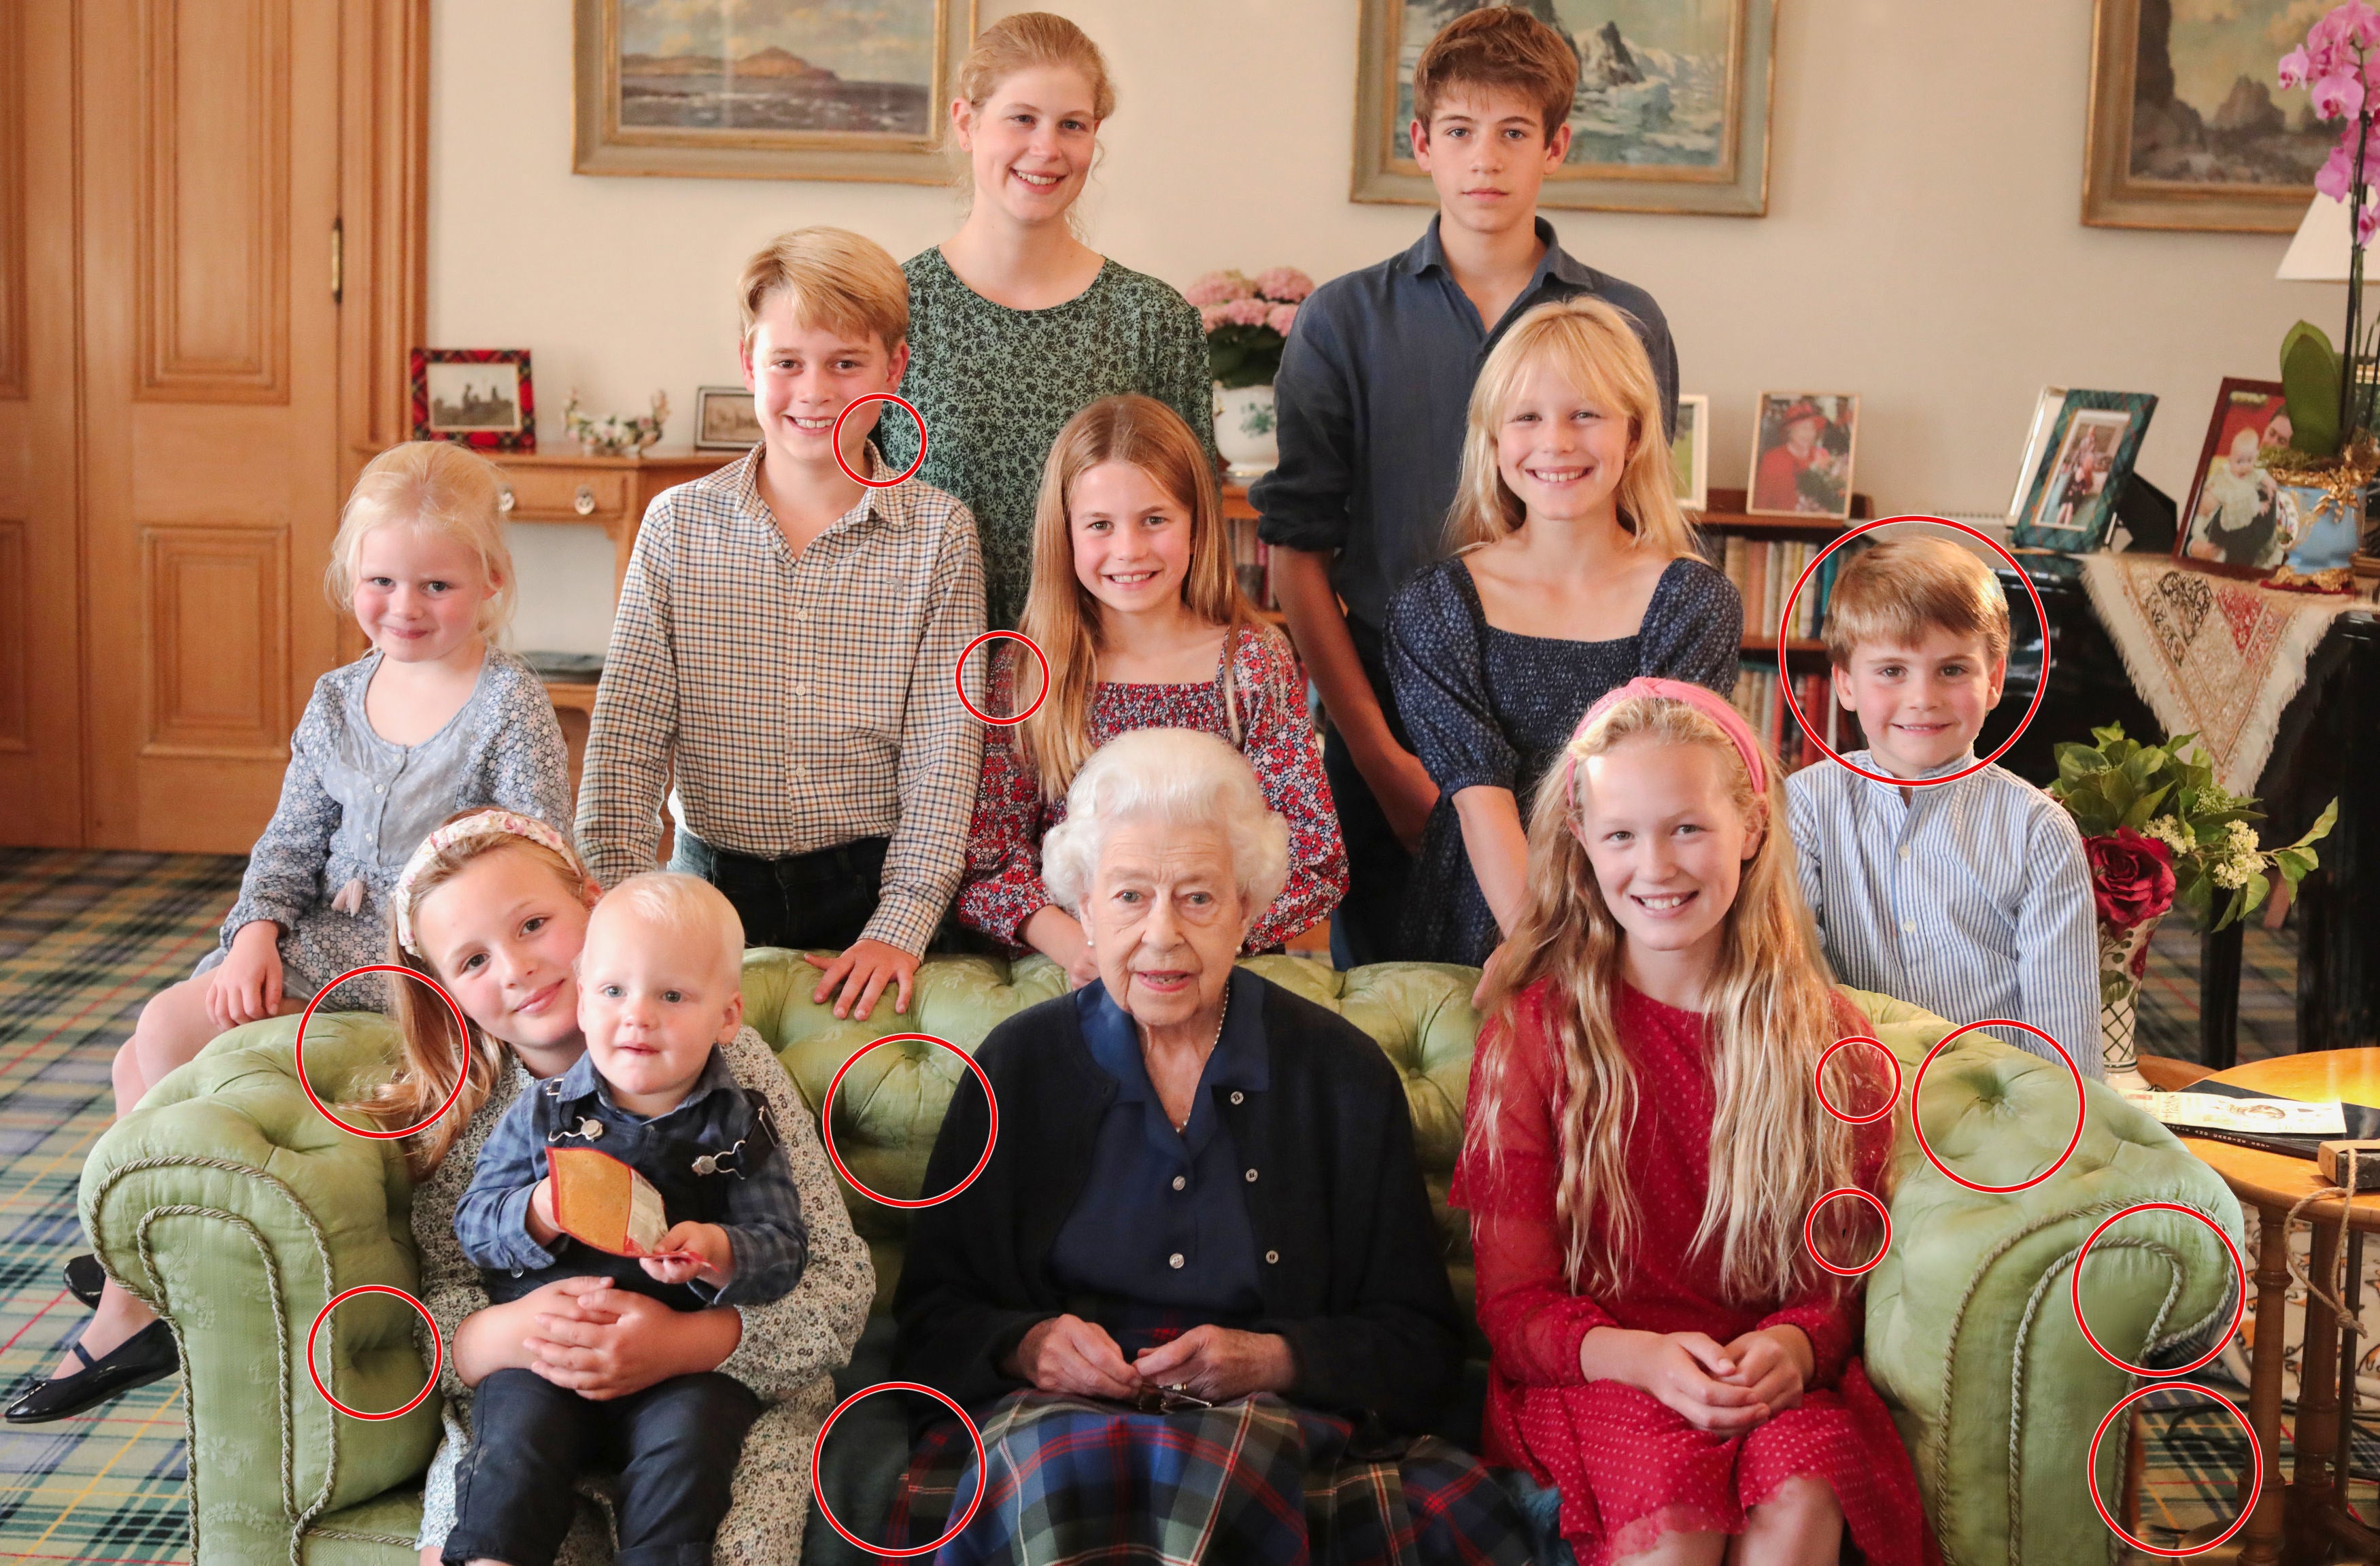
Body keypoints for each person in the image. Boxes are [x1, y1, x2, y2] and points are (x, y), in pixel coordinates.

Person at [12, 442, 571, 1426]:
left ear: (489, 581)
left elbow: (532, 849)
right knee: (156, 1039)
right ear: (350, 576)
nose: (405, 605)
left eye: (435, 583)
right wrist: (255, 931)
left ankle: (131, 1295)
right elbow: (289, 841)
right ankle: (147, 1265)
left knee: (154, 1060)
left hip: (425, 961)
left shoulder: (508, 702)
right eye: (381, 580)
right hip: (315, 937)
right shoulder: (334, 697)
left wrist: (465, 949)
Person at [889, 729, 1533, 1563]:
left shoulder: (1339, 1074)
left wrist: (1275, 1357)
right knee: (1061, 1474)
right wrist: (1026, 1344)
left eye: (1197, 897)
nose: (1161, 934)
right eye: (1129, 896)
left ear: (1248, 911)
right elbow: (930, 1318)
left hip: (1278, 1424)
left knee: (1236, 1467)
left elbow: (1418, 1344)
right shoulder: (1019, 1066)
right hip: (1054, 1423)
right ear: (1082, 905)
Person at [1457, 679, 1925, 1566]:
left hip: (1761, 1378)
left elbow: (1841, 1273)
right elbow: (1514, 1309)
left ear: (1750, 830)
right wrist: (1638, 1357)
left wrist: (1796, 1339)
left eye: (1688, 828)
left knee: (1805, 1484)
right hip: (1596, 1376)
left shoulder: (1828, 1041)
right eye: (1623, 834)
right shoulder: (1537, 1034)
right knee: (1675, 1519)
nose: (1658, 866)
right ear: (1584, 844)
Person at [1254, 4, 1680, 968]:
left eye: (1514, 133)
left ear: (1557, 145)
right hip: (1388, 719)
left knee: (1584, 988)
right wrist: (1381, 760)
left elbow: (1645, 522)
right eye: (1459, 132)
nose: (1485, 159)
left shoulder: (1624, 321)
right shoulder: (1343, 320)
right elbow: (1296, 550)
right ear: (1422, 144)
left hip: (1581, 714)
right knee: (1399, 1017)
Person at [373, 809, 872, 1565]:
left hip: (716, 1381)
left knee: (720, 1531)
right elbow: (439, 1301)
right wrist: (503, 1332)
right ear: (442, 987)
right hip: (532, 1389)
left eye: (534, 923)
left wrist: (687, 1336)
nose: (515, 968)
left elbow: (833, 1281)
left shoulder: (727, 1069)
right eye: (472, 961)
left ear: (592, 902)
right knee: (486, 1517)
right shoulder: (474, 1109)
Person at [577, 226, 985, 1024]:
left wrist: (899, 925)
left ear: (894, 370)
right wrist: (625, 912)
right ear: (747, 364)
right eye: (787, 362)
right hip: (706, 888)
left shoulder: (940, 534)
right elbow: (625, 741)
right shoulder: (675, 526)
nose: (814, 391)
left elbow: (945, 752)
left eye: (846, 363)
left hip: (870, 890)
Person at [441, 870, 806, 1566]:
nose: (637, 1015)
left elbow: (784, 1247)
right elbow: (474, 1225)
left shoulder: (739, 1123)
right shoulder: (544, 1111)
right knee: (511, 1446)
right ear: (583, 1003)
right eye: (613, 991)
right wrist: (538, 1211)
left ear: (726, 1016)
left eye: (671, 995)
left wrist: (717, 1250)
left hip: (676, 1364)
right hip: (548, 1357)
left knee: (692, 1442)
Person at [1387, 297, 1737, 974]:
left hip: (1643, 911)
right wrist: (1540, 952)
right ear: (1492, 441)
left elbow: (1664, 790)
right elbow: (1478, 794)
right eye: (1526, 417)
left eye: (1585, 414)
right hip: (1484, 917)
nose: (1556, 442)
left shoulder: (1693, 601)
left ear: (1633, 436)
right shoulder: (1434, 605)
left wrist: (1600, 961)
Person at [955, 395, 1346, 979]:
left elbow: (1315, 859)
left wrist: (1199, 942)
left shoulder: (1252, 664)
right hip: (1073, 974)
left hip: (1222, 975)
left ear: (1196, 525)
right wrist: (1079, 948)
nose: (1129, 550)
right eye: (1100, 526)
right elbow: (986, 862)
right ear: (1065, 534)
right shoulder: (1028, 672)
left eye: (1155, 519)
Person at [879, 12, 1215, 632]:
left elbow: (1196, 540)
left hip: (1105, 688)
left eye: (1072, 126)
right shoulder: (893, 309)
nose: (1047, 149)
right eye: (1022, 119)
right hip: (928, 684)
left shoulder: (1154, 322)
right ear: (966, 122)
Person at [1788, 533, 2101, 1076]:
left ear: (1995, 679)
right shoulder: (1805, 809)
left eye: (1952, 670)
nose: (1923, 697)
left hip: (2004, 1115)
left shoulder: (2038, 831)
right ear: (1845, 684)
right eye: (1891, 671)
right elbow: (1795, 988)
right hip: (1858, 1103)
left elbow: (2066, 1043)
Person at [2190, 426, 2281, 567]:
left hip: (2237, 567)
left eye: (2282, 441)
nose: (2244, 467)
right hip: (2203, 541)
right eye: (2272, 433)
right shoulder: (2226, 475)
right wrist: (2192, 547)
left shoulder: (2266, 487)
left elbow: (2251, 544)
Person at [1750, 401, 1842, 515]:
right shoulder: (1772, 459)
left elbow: (1832, 499)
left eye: (1811, 428)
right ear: (1789, 432)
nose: (1808, 434)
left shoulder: (1823, 455)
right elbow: (1760, 502)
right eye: (1802, 428)